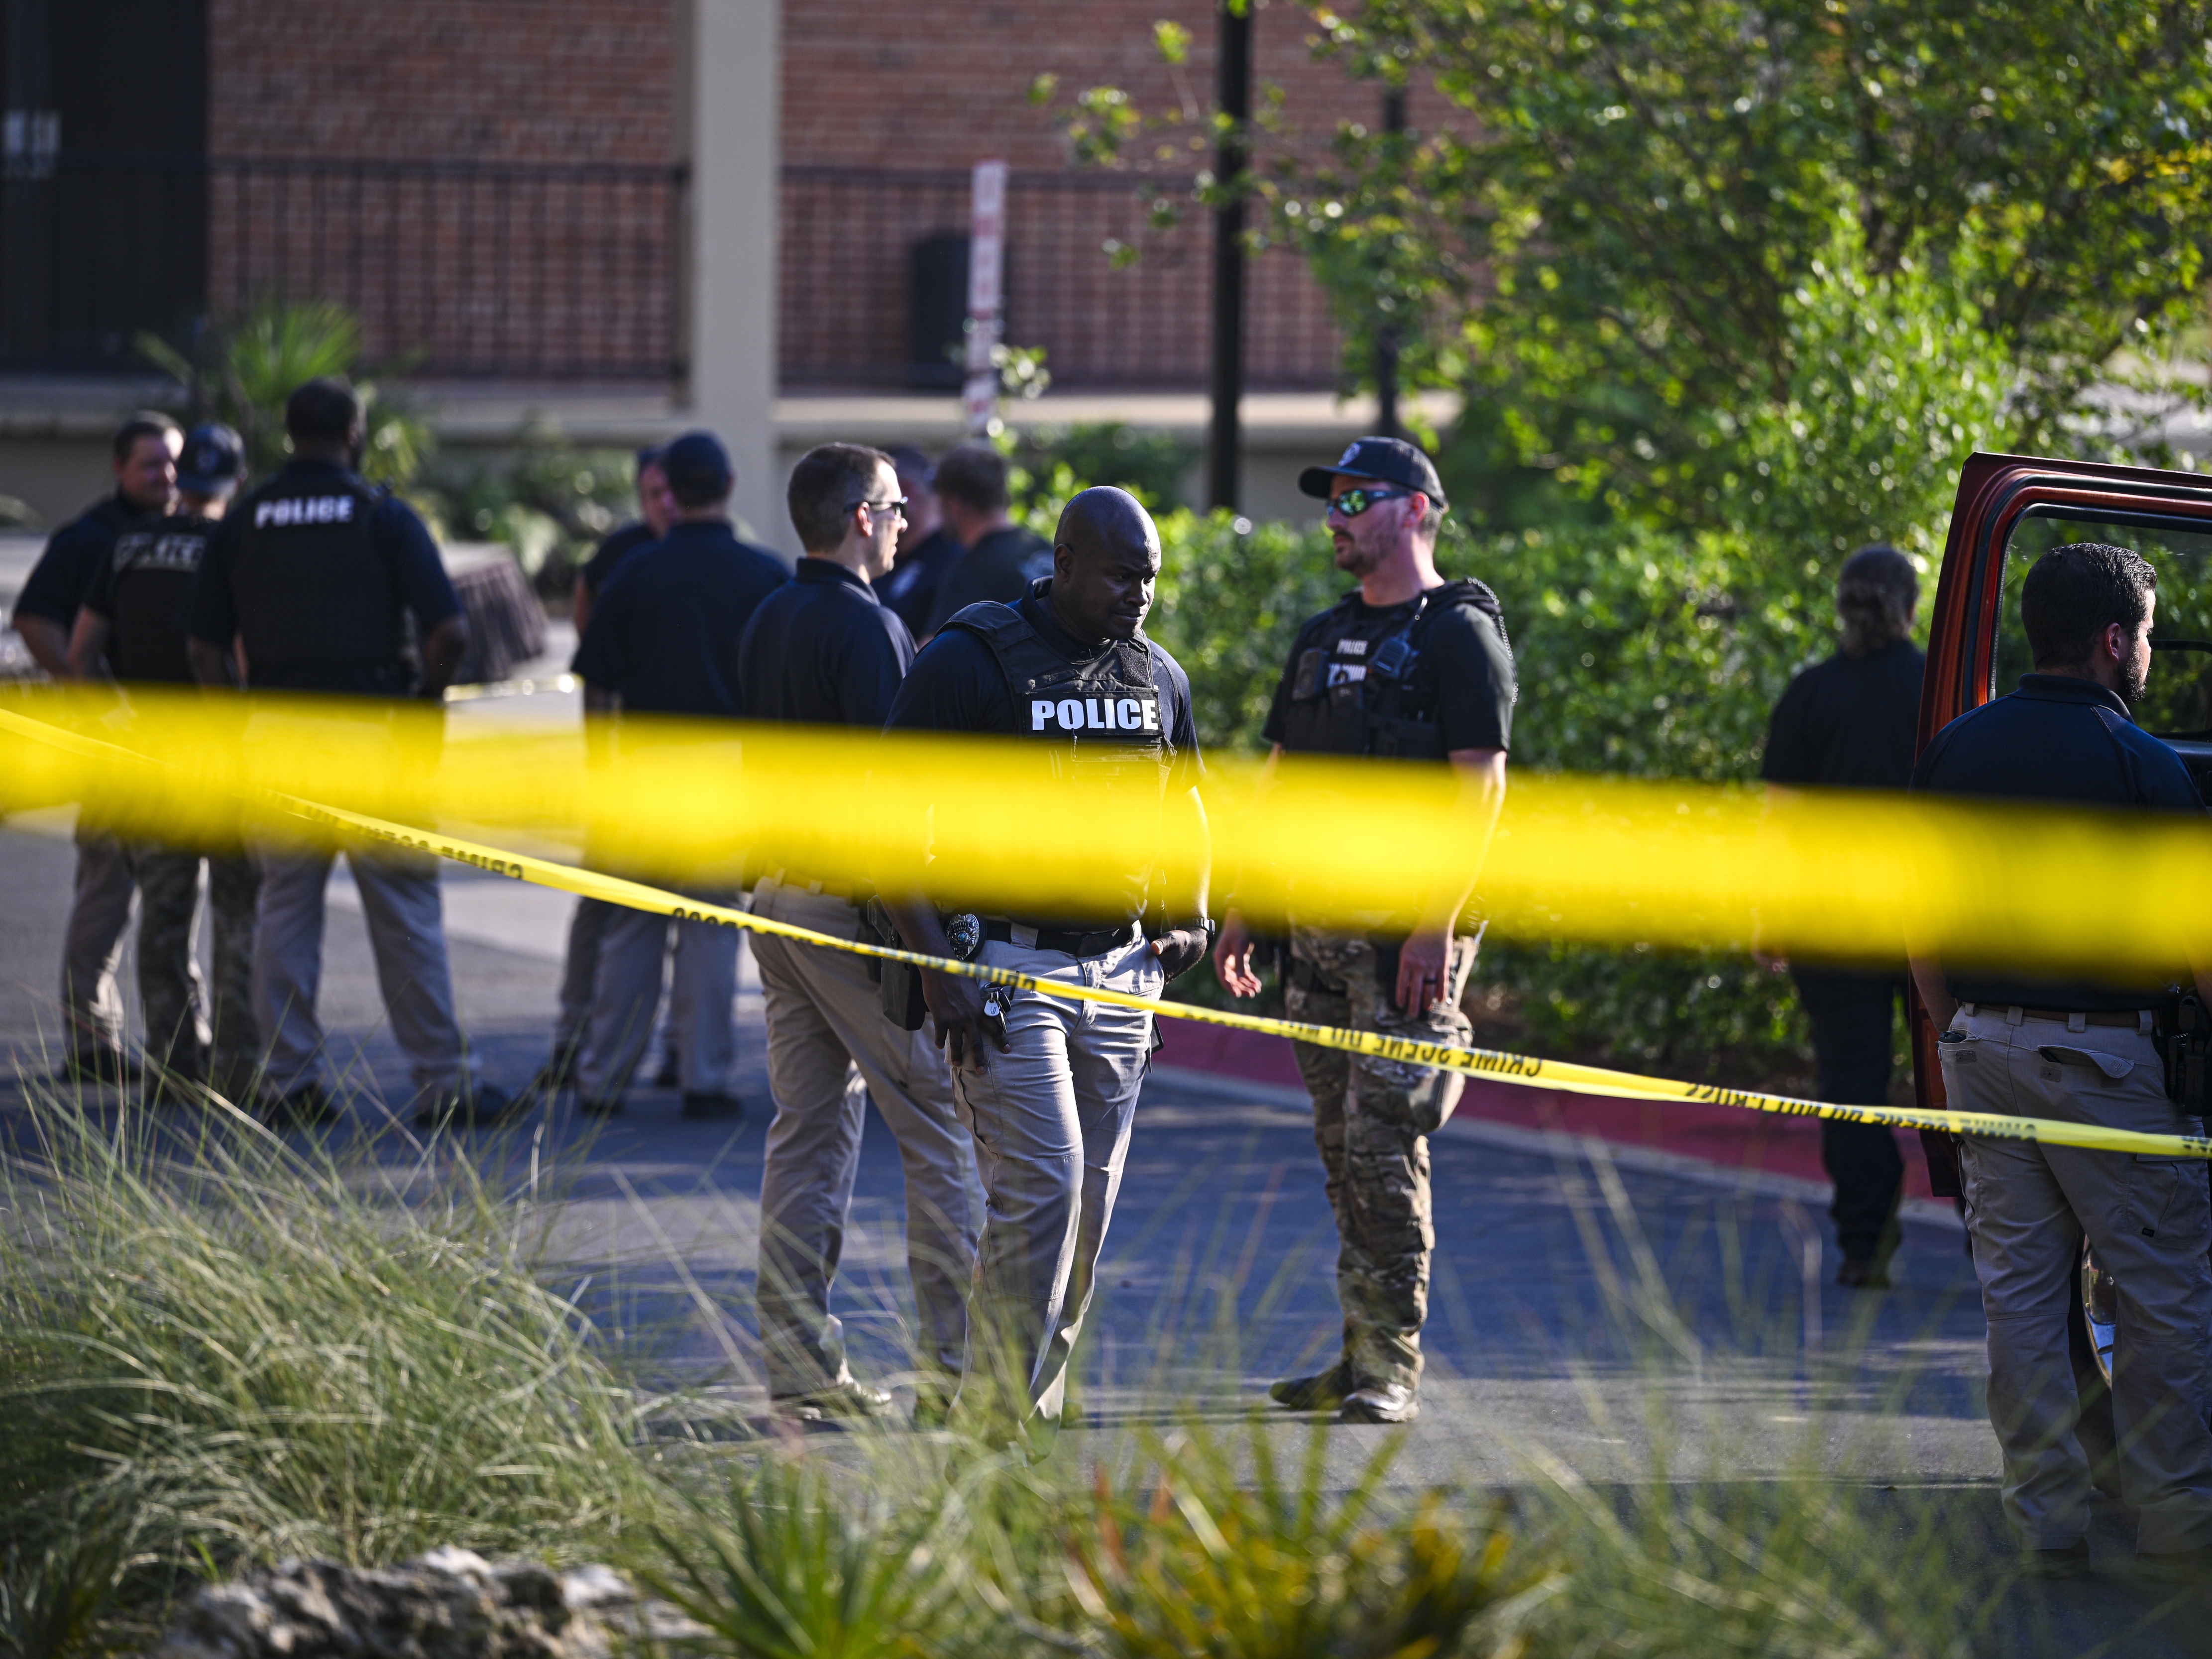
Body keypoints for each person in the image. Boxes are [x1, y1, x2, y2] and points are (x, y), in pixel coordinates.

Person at [883, 485, 1212, 1442]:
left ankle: (1029, 1409)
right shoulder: (969, 658)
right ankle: (988, 1417)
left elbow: (1189, 808)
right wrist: (935, 965)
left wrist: (1191, 913)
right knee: (1046, 1186)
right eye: (1119, 574)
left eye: (1149, 577)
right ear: (1063, 562)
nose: (1138, 594)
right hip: (1003, 971)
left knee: (1087, 1209)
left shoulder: (1156, 676)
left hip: (1120, 973)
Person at [1910, 542, 2212, 1580]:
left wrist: (1953, 1032)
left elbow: (1917, 915)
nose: (2149, 651)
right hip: (2106, 1065)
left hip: (1980, 1051)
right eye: (2148, 632)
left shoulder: (1954, 748)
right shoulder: (2144, 765)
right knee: (2162, 1291)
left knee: (2022, 1298)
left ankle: (2045, 1520)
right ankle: (2174, 1522)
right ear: (2110, 640)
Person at [1212, 437, 1514, 1426]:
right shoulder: (1320, 636)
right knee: (1344, 1157)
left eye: (1354, 500)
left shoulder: (1458, 637)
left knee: (1385, 1157)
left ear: (1415, 509)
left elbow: (1480, 794)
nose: (1333, 518)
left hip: (1400, 952)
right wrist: (1244, 907)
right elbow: (1277, 784)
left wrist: (1433, 925)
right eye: (1329, 502)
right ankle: (1355, 1354)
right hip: (1314, 941)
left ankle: (1390, 1368)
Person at [186, 378, 511, 1131]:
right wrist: (422, 707)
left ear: (288, 436)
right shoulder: (382, 516)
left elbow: (203, 647)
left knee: (284, 910)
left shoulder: (247, 519)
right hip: (374, 738)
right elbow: (451, 631)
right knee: (405, 912)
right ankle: (444, 1083)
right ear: (355, 435)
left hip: (276, 736)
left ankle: (288, 1083)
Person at [736, 442, 980, 1423]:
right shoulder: (872, 628)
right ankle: (957, 1377)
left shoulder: (769, 613)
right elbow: (895, 806)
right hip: (848, 913)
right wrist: (932, 951)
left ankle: (801, 1367)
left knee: (806, 1134)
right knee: (940, 1129)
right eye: (893, 506)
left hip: (772, 897)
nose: (906, 521)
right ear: (857, 520)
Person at [569, 430, 786, 1120]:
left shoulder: (636, 571)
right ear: (727, 486)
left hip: (644, 766)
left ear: (672, 490)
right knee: (710, 926)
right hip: (726, 770)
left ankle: (603, 1077)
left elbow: (598, 681)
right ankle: (703, 1076)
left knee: (631, 925)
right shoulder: (763, 574)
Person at [67, 423, 260, 1103]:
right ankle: (237, 1071)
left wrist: (117, 724)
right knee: (238, 917)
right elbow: (238, 656)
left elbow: (81, 655)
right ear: (238, 480)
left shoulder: (128, 545)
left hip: (148, 761)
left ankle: (173, 1069)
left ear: (183, 480)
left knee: (163, 919)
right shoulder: (238, 546)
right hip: (226, 767)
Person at [1756, 545, 1924, 1287]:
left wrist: (1768, 916)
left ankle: (1864, 1246)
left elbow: (1781, 822)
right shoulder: (1938, 687)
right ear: (1911, 607)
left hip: (1829, 921)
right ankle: (1999, 1241)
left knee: (1851, 1086)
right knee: (1962, 1080)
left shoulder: (1811, 693)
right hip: (1927, 918)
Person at [12, 412, 181, 1082]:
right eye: (151, 463)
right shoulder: (91, 538)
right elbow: (34, 619)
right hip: (114, 751)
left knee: (172, 898)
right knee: (107, 894)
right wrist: (93, 699)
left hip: (178, 748)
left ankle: (182, 1043)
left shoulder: (184, 534)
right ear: (118, 468)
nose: (166, 475)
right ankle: (91, 1043)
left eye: (173, 461)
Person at [546, 445, 678, 1089]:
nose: (665, 504)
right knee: (602, 907)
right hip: (625, 759)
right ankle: (572, 1040)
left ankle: (679, 1050)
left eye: (672, 491)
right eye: (653, 493)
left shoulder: (714, 547)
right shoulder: (622, 555)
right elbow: (587, 612)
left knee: (692, 919)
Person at [917, 445, 1051, 639]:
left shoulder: (970, 572)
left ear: (955, 506)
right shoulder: (1045, 550)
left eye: (939, 500)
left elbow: (932, 650)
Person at [876, 446, 963, 639]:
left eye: (875, 501)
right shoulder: (881, 560)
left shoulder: (955, 563)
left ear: (906, 493)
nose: (868, 515)